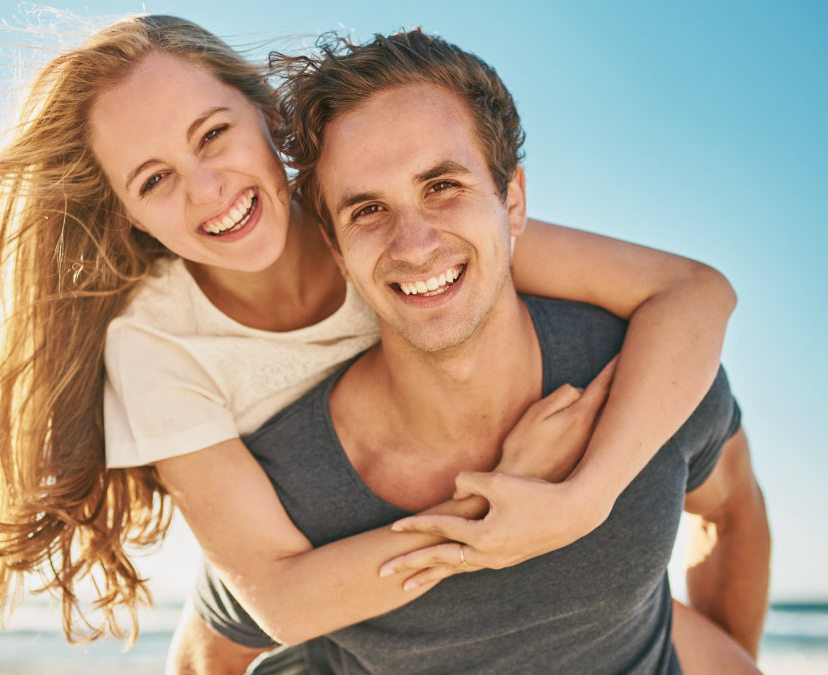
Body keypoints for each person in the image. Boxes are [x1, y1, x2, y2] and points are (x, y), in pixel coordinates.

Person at [0, 13, 740, 660]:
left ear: (267, 119)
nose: (210, 189)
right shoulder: (154, 345)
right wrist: (501, 502)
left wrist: (586, 496)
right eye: (155, 180)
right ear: (132, 217)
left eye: (214, 134)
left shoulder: (384, 220)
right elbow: (279, 600)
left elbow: (691, 291)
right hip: (280, 536)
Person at [180, 29, 770, 674]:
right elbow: (208, 658)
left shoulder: (641, 372)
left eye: (442, 186)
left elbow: (731, 509)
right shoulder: (292, 480)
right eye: (368, 209)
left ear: (511, 200)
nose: (413, 244)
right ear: (336, 249)